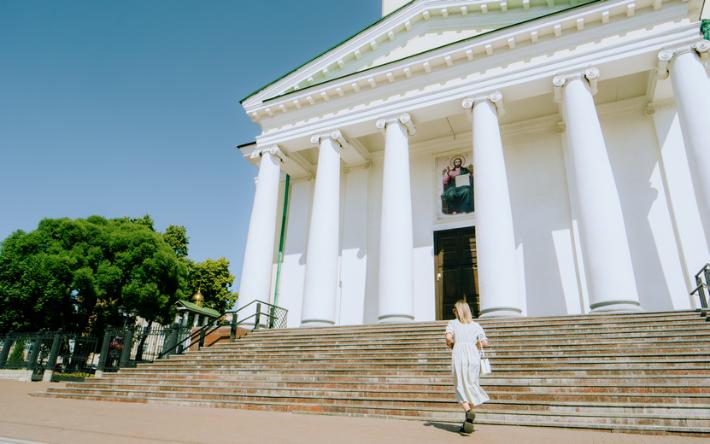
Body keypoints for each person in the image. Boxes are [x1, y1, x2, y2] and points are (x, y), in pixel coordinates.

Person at [445, 299, 489, 434]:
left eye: (454, 310)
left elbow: (448, 338)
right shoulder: (476, 325)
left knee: (460, 386)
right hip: (474, 357)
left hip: (459, 356)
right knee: (471, 385)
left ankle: (468, 411)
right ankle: (467, 422)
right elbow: (485, 343)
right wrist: (472, 346)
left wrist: (452, 344)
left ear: (457, 311)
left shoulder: (453, 324)